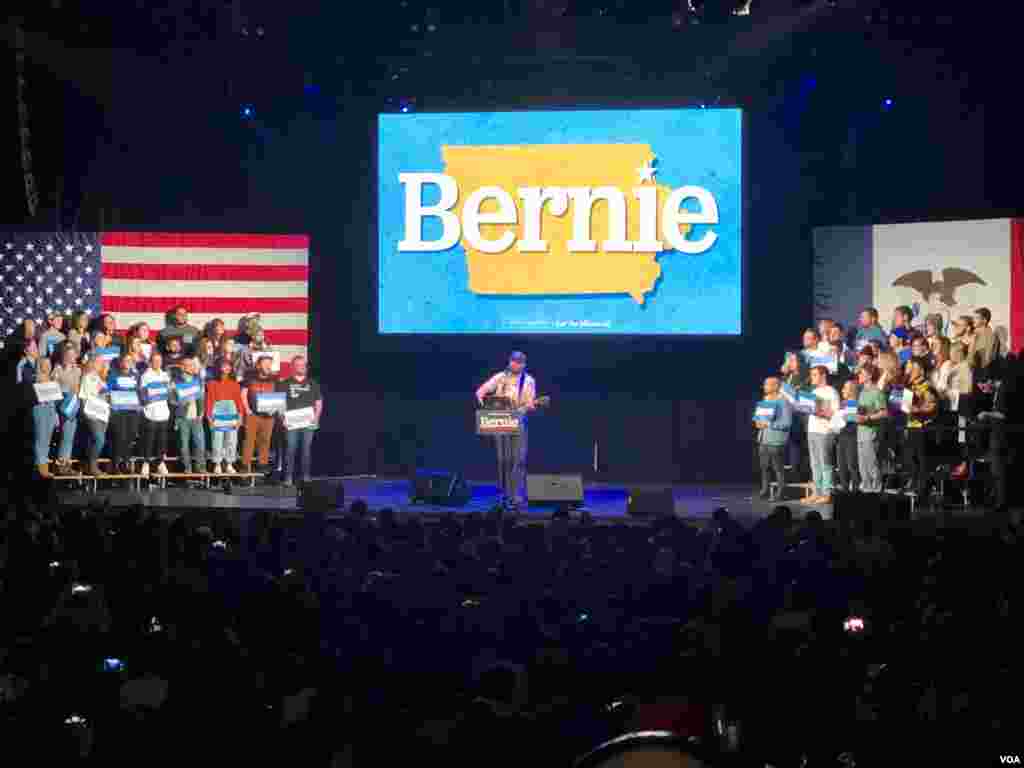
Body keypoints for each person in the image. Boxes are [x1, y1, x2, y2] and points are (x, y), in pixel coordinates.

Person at [475, 351, 537, 510]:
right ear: (510, 362)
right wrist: (489, 408)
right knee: (504, 460)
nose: (517, 364)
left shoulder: (528, 380)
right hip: (500, 422)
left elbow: (529, 403)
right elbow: (480, 392)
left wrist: (523, 409)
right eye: (515, 361)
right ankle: (504, 494)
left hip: (518, 421)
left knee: (519, 459)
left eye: (520, 362)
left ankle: (516, 496)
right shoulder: (500, 377)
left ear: (524, 364)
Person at [277, 355, 324, 486]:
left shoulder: (313, 383)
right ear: (292, 367)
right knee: (290, 449)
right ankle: (288, 478)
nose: (301, 367)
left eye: (303, 365)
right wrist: (283, 419)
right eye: (297, 365)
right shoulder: (284, 383)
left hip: (308, 422)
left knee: (306, 450)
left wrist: (316, 418)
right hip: (291, 422)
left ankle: (305, 477)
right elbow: (280, 404)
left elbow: (319, 403)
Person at [903, 358, 938, 497]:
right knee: (911, 459)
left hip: (922, 427)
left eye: (914, 368)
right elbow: (905, 407)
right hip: (911, 426)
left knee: (922, 459)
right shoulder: (909, 386)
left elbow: (932, 405)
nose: (910, 370)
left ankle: (922, 489)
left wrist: (919, 409)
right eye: (909, 368)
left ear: (921, 370)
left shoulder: (927, 386)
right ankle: (913, 485)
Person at [805, 365, 839, 506]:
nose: (811, 377)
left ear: (823, 376)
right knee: (815, 463)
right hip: (812, 430)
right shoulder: (814, 391)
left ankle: (827, 493)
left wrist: (821, 413)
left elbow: (836, 414)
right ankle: (817, 492)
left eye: (814, 375)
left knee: (825, 464)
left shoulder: (831, 392)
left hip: (825, 431)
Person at [753, 376, 792, 500]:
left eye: (767, 385)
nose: (764, 387)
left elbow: (787, 423)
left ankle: (780, 492)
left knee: (777, 468)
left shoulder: (783, 402)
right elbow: (758, 417)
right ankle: (764, 490)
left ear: (776, 386)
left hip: (776, 440)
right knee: (764, 467)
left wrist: (770, 424)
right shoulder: (765, 400)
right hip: (763, 439)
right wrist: (757, 422)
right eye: (764, 384)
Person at [205, 357, 245, 474]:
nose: (226, 368)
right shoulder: (211, 384)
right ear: (218, 368)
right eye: (224, 365)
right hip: (217, 417)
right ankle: (217, 463)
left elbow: (238, 401)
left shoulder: (235, 384)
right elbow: (209, 401)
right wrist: (209, 417)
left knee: (231, 440)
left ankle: (229, 464)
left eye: (228, 365)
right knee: (217, 440)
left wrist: (240, 416)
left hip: (232, 417)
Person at [241, 354, 279, 473]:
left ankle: (262, 464)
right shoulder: (250, 376)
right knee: (249, 440)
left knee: (265, 440)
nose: (267, 365)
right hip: (253, 414)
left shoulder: (275, 378)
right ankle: (245, 465)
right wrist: (247, 409)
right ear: (258, 364)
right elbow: (243, 393)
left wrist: (275, 408)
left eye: (269, 363)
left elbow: (278, 397)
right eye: (265, 362)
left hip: (269, 416)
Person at [107, 353, 142, 474]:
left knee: (131, 435)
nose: (127, 362)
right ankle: (115, 463)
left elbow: (139, 391)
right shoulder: (113, 375)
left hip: (132, 411)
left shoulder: (136, 375)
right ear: (120, 362)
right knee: (119, 436)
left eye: (129, 360)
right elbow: (108, 391)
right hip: (119, 411)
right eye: (125, 360)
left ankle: (126, 462)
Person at [855, 363, 888, 493]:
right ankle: (866, 487)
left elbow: (884, 412)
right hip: (860, 432)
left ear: (869, 375)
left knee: (871, 462)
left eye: (861, 373)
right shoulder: (862, 392)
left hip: (871, 432)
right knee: (862, 464)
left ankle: (876, 487)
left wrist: (868, 418)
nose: (859, 376)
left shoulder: (877, 392)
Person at [139, 351, 172, 477]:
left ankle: (160, 463)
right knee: (149, 439)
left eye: (159, 361)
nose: (157, 363)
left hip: (163, 412)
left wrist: (170, 390)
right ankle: (146, 463)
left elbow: (169, 393)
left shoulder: (165, 375)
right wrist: (148, 401)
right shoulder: (145, 375)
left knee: (162, 440)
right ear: (150, 362)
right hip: (151, 412)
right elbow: (142, 393)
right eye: (155, 361)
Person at [172, 357, 206, 473]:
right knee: (184, 445)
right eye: (189, 365)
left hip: (196, 416)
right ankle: (187, 468)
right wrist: (180, 401)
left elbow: (202, 397)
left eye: (193, 365)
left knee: (200, 444)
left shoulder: (198, 380)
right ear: (182, 367)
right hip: (183, 417)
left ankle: (201, 468)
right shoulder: (176, 381)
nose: (192, 368)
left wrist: (202, 411)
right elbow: (171, 400)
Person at [52, 344, 82, 476]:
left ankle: (65, 464)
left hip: (72, 403)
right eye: (68, 355)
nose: (71, 357)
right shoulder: (57, 369)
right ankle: (60, 464)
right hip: (59, 402)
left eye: (73, 355)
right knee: (63, 434)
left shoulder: (78, 370)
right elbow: (53, 386)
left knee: (69, 435)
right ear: (64, 356)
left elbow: (79, 388)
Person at [26, 358, 58, 478]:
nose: (48, 367)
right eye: (45, 365)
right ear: (40, 366)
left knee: (47, 439)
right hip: (40, 409)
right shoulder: (35, 378)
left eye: (49, 364)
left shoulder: (52, 378)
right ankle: (41, 467)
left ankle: (43, 465)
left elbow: (54, 397)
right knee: (41, 438)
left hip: (50, 408)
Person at [79, 356, 109, 477]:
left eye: (102, 363)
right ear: (92, 363)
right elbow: (83, 397)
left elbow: (106, 395)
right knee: (99, 439)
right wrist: (86, 413)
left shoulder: (100, 378)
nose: (100, 365)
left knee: (96, 440)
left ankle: (89, 465)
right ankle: (92, 465)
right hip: (92, 413)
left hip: (102, 413)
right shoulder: (87, 378)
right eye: (98, 362)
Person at [835, 379, 861, 494]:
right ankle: (844, 489)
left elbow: (853, 421)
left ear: (852, 390)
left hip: (851, 437)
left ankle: (855, 490)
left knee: (852, 465)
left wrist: (845, 417)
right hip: (841, 437)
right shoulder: (842, 403)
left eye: (845, 388)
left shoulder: (856, 403)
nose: (842, 390)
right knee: (841, 465)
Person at [968, 307, 1001, 377]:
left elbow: (987, 358)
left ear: (984, 320)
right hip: (974, 371)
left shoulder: (990, 336)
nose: (973, 320)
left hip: (980, 373)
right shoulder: (974, 333)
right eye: (973, 318)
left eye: (977, 318)